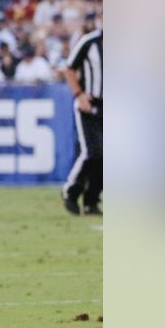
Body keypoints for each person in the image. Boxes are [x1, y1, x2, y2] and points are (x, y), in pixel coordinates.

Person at [62, 28, 102, 214]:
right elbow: (69, 69)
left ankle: (91, 201)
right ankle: (71, 191)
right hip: (89, 105)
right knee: (92, 152)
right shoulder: (89, 41)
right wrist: (79, 95)